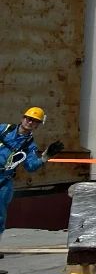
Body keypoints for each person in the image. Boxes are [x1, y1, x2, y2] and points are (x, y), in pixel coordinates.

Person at [0, 107, 62, 255]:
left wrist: (45, 157)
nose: (30, 122)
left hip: (4, 182)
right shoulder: (4, 129)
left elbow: (31, 167)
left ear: (37, 125)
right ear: (23, 118)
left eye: (35, 121)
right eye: (28, 118)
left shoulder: (29, 146)